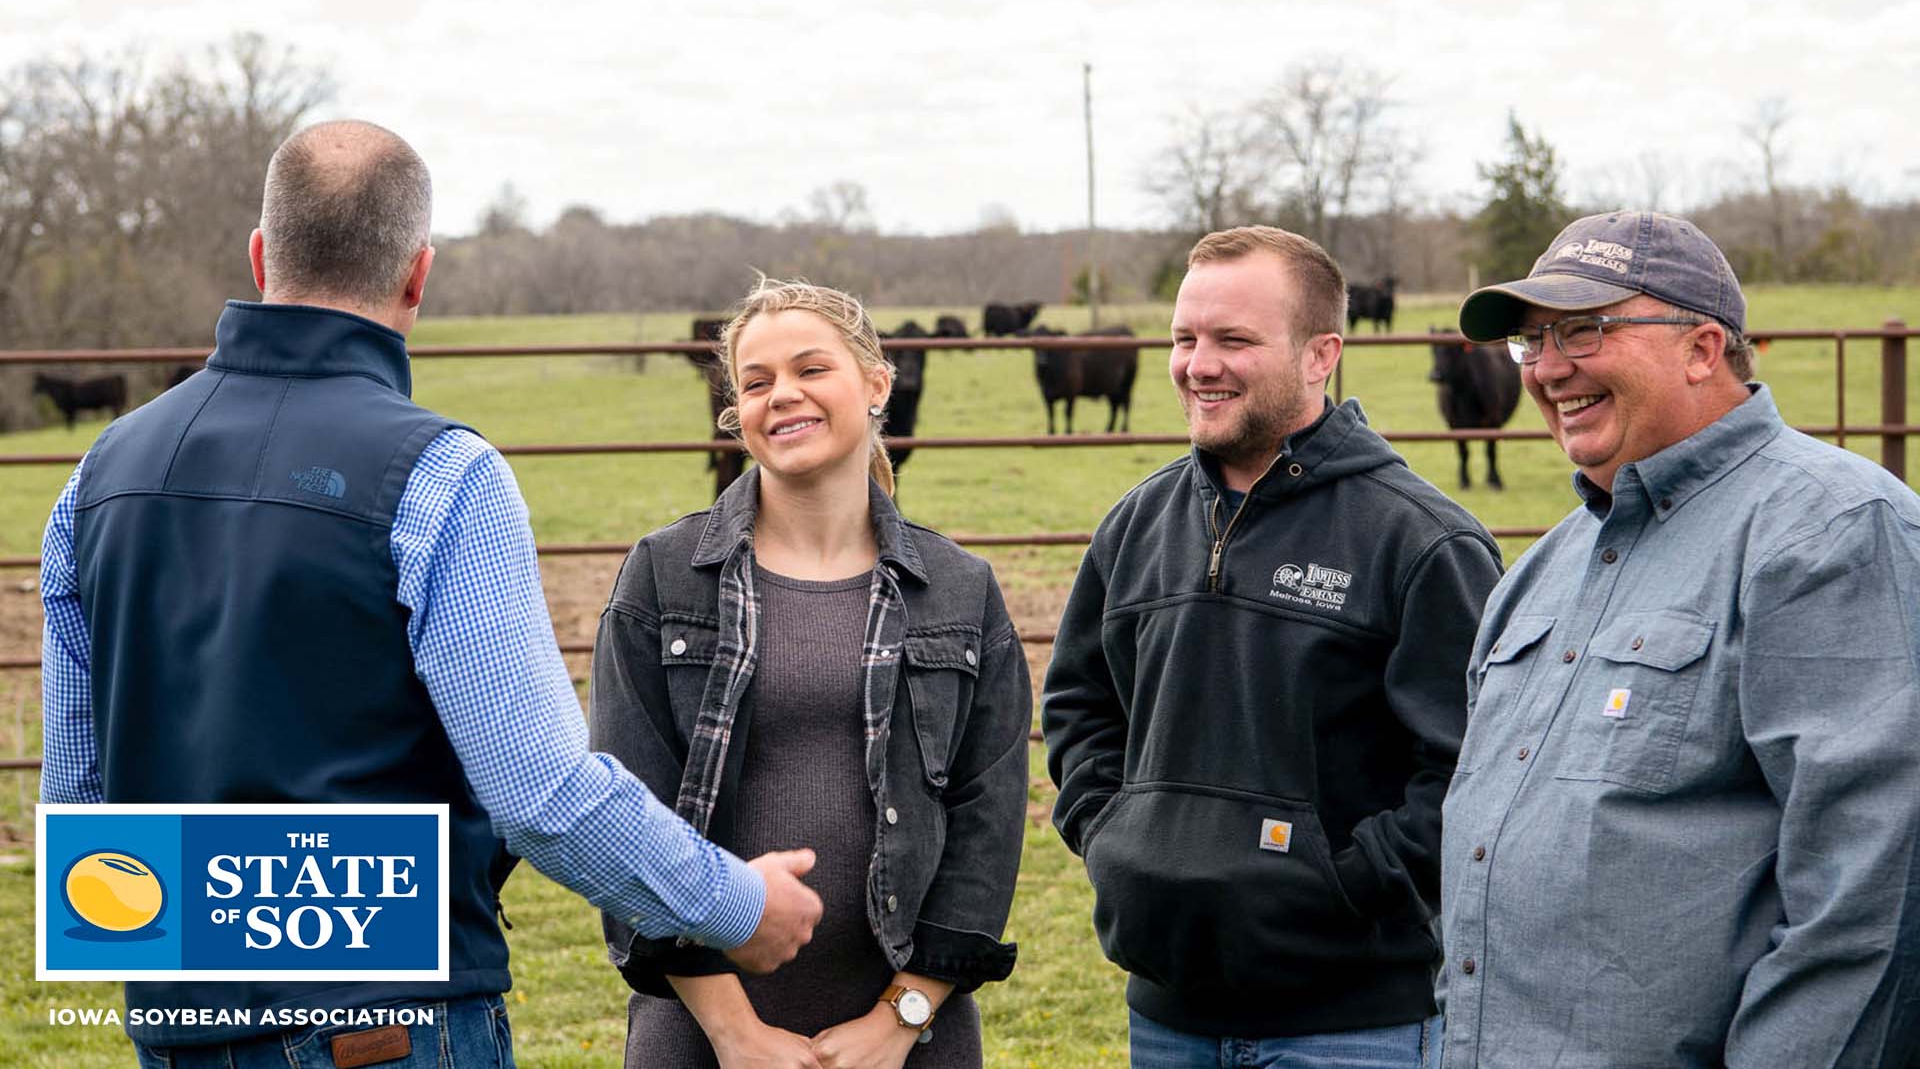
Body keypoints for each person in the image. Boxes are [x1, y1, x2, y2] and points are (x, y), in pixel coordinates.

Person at [37, 120, 822, 1067]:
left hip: (181, 1024)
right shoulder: (440, 475)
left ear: (259, 256)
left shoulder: (99, 477)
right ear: (418, 274)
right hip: (387, 1028)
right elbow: (540, 793)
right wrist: (738, 906)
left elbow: (81, 804)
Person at [1439, 210, 1920, 1068]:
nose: (1548, 369)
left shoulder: (1831, 534)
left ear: (1702, 348)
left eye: (1583, 330)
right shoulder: (1542, 570)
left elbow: (1876, 897)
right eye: (1533, 340)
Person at [1042, 225, 1503, 1068]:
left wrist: (1342, 887)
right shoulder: (1137, 526)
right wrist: (1116, 834)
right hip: (1167, 1016)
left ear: (1321, 353)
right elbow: (1079, 707)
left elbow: (1474, 770)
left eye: (1234, 340)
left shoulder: (1422, 543)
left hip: (1355, 1025)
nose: (1198, 364)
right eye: (1185, 338)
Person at [590, 278, 1029, 1069]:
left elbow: (987, 826)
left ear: (876, 383)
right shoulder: (663, 579)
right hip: (700, 1036)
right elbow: (628, 819)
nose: (781, 396)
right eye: (755, 383)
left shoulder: (960, 589)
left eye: (810, 370)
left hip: (910, 1039)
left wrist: (900, 1021)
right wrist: (735, 1031)